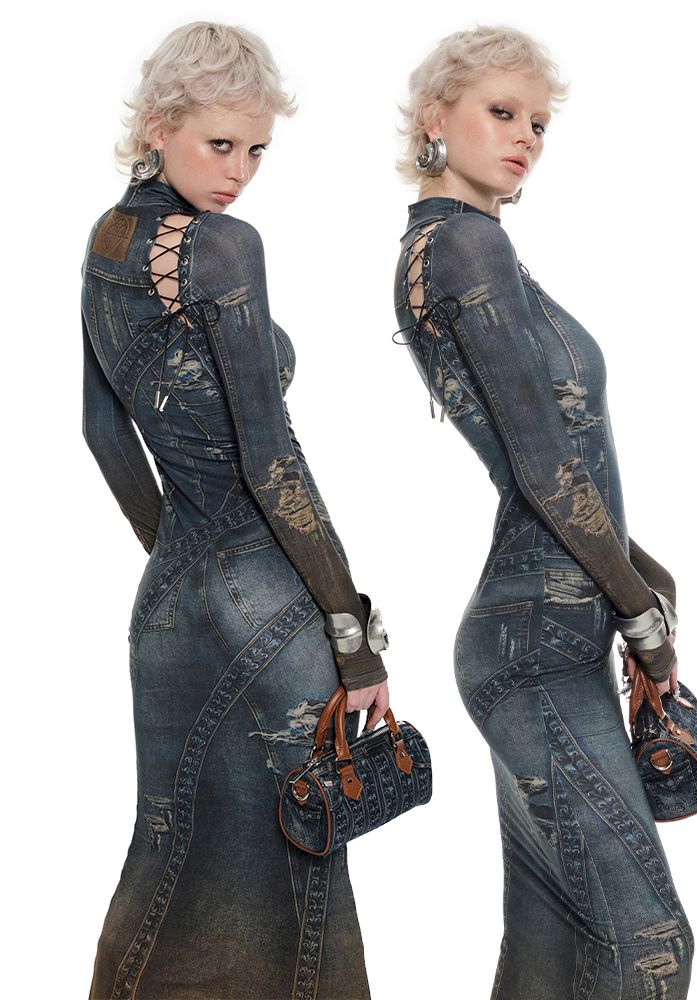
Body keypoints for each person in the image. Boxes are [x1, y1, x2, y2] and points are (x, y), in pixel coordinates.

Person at [82, 22, 388, 1000]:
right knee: (302, 874)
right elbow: (272, 459)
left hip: (167, 604)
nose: (241, 172)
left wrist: (179, 553)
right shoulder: (222, 248)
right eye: (221, 143)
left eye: (258, 149)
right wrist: (353, 635)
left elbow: (100, 432)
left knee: (168, 853)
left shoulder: (105, 241)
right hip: (267, 595)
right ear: (160, 125)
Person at [393, 26, 692, 999]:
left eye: (538, 122)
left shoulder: (449, 248)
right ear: (435, 117)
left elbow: (551, 469)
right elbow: (543, 465)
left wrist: (642, 573)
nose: (526, 135)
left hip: (540, 629)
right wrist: (643, 622)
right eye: (501, 111)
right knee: (650, 944)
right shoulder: (465, 246)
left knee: (551, 956)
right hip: (538, 642)